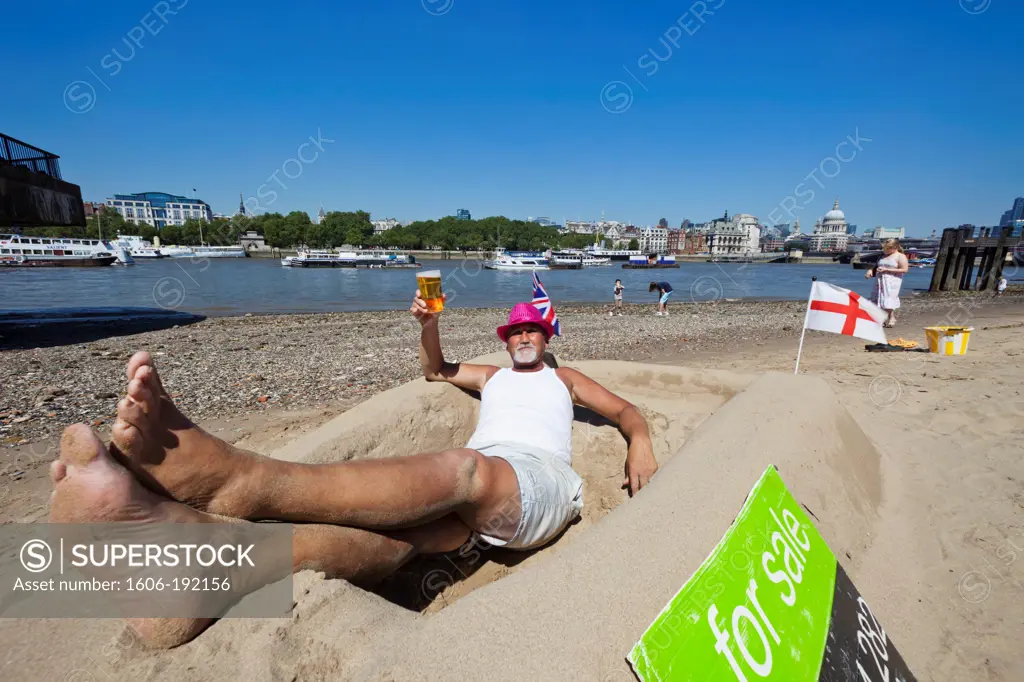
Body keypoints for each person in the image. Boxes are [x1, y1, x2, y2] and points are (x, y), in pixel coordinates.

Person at [47, 294, 659, 648]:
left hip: (536, 485)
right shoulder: (493, 377)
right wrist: (428, 327)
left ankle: (245, 481)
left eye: (534, 329)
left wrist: (640, 441)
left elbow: (625, 410)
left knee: (466, 469)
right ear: (506, 341)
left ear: (548, 336)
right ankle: (218, 567)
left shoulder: (563, 378)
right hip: (472, 507)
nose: (525, 335)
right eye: (516, 330)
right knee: (408, 538)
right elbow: (435, 369)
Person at [865, 239, 908, 328]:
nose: (885, 250)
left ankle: (891, 317)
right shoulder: (882, 256)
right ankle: (884, 318)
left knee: (888, 298)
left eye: (887, 248)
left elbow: (904, 269)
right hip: (880, 279)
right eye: (885, 248)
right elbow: (876, 267)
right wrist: (870, 271)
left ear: (894, 247)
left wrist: (887, 270)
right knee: (879, 298)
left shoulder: (900, 256)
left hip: (892, 280)